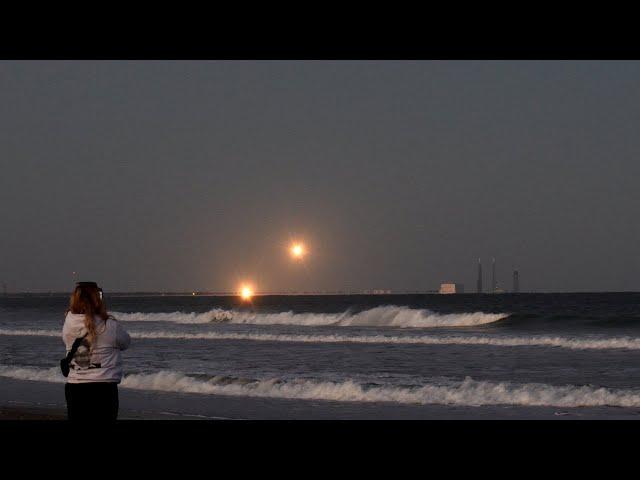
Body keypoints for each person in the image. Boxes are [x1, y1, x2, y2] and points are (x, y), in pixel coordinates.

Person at [62, 281, 131, 420]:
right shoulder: (110, 325)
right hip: (103, 388)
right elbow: (125, 343)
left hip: (75, 386)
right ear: (97, 299)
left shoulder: (68, 324)